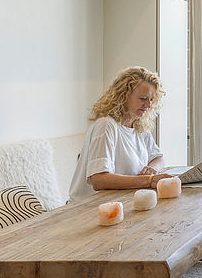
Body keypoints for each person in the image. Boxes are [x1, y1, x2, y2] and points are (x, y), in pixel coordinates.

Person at [68, 67, 177, 202]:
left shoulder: (139, 125)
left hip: (121, 201)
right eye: (143, 98)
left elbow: (159, 158)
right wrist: (148, 180)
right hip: (87, 208)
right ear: (123, 96)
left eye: (151, 100)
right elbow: (99, 180)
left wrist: (152, 169)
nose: (148, 105)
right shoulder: (106, 125)